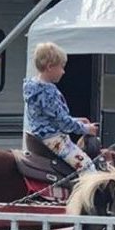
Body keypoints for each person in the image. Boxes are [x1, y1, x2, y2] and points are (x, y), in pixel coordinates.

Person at [23, 42, 99, 172]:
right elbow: (63, 123)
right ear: (50, 67)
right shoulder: (48, 92)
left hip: (39, 136)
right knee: (89, 168)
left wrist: (77, 120)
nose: (63, 72)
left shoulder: (32, 86)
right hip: (54, 140)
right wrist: (87, 129)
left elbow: (51, 118)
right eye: (61, 67)